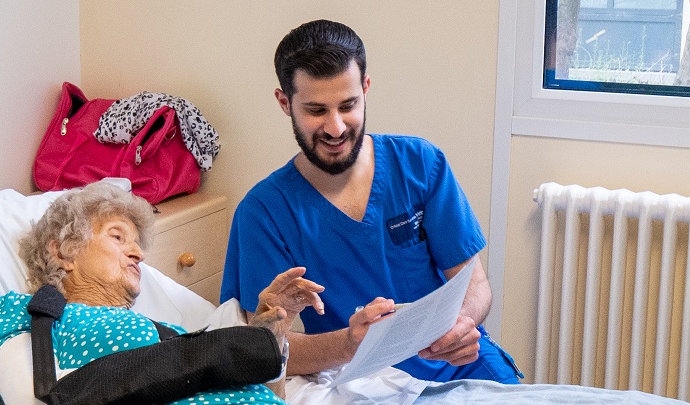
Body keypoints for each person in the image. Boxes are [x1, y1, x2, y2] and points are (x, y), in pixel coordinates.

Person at [221, 19, 523, 384]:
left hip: (457, 365)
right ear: (285, 103)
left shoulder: (421, 165)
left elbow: (473, 281)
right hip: (359, 380)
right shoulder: (264, 213)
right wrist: (349, 344)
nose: (335, 128)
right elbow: (265, 346)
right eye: (316, 111)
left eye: (348, 105)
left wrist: (462, 324)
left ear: (366, 88)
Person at [0, 182, 327, 404]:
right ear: (64, 250)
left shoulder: (166, 331)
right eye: (117, 237)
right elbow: (31, 399)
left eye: (137, 244)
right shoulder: (29, 312)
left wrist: (273, 336)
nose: (138, 253)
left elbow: (266, 397)